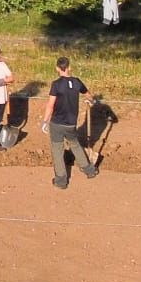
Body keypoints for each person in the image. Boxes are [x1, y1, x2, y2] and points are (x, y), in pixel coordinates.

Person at [42, 56, 97, 189]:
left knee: (57, 150)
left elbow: (50, 105)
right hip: (71, 124)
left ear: (57, 68)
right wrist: (91, 101)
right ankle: (89, 170)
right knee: (75, 145)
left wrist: (45, 121)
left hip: (56, 123)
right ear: (69, 67)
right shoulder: (77, 82)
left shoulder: (56, 84)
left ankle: (61, 180)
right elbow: (88, 95)